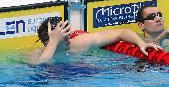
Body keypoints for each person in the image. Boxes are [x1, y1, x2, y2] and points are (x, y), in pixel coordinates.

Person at [29, 16, 161, 65]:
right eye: (63, 35)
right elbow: (40, 65)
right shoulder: (37, 54)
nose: (69, 37)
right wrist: (53, 41)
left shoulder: (78, 43)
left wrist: (141, 43)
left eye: (68, 33)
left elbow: (121, 32)